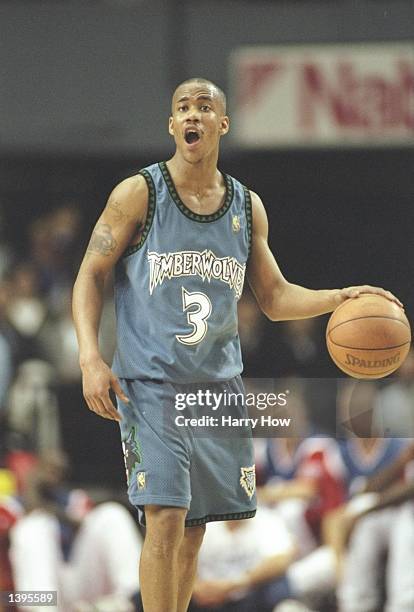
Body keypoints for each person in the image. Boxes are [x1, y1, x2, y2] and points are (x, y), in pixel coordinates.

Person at [72, 77, 402, 612]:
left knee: (195, 531)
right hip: (151, 383)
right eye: (183, 108)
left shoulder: (246, 206)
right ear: (172, 125)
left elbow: (274, 297)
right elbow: (91, 274)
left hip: (217, 390)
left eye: (204, 107)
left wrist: (339, 296)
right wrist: (90, 354)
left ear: (222, 123)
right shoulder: (140, 193)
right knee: (165, 516)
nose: (193, 116)